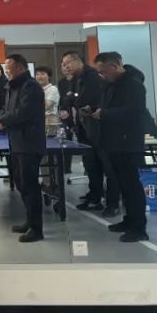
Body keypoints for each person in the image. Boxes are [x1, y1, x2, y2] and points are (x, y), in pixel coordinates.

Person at [93, 52, 150, 242]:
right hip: (113, 142)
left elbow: (134, 112)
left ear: (114, 66)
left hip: (127, 142)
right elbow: (107, 107)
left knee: (132, 186)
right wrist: (96, 111)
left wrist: (105, 114)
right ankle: (129, 220)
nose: (102, 76)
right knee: (123, 185)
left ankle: (139, 227)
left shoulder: (133, 85)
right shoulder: (111, 85)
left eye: (103, 71)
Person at [0, 55, 47, 243]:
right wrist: (1, 117)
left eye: (8, 67)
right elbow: (7, 109)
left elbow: (24, 112)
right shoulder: (12, 86)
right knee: (21, 183)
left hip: (29, 143)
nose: (6, 70)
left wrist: (3, 120)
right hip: (16, 142)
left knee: (30, 185)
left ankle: (37, 229)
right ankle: (29, 221)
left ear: (20, 67)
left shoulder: (31, 86)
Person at [61, 52, 117, 216]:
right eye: (64, 64)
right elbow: (72, 99)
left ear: (78, 61)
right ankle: (94, 196)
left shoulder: (93, 77)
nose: (66, 66)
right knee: (91, 164)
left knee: (107, 166)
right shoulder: (76, 79)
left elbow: (96, 101)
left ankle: (112, 202)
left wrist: (82, 104)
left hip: (99, 128)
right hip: (84, 128)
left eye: (68, 62)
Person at [36, 67, 60, 137]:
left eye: (42, 74)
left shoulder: (53, 89)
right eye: (37, 74)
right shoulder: (37, 89)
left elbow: (47, 106)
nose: (40, 77)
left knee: (50, 142)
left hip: (50, 123)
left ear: (49, 76)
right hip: (37, 123)